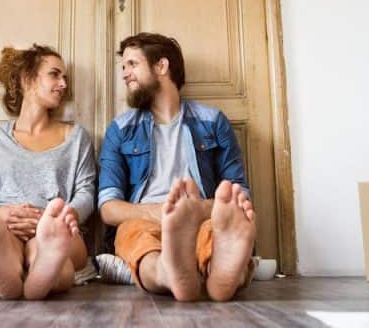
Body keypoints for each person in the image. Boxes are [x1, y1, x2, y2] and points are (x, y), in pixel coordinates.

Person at [98, 33, 256, 301]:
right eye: (123, 67)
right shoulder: (121, 130)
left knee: (213, 233)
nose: (125, 74)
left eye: (132, 64)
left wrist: (195, 212)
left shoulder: (212, 121)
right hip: (142, 221)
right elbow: (108, 209)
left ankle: (222, 275)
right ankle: (171, 273)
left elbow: (240, 196)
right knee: (137, 239)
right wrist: (163, 213)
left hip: (202, 216)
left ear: (161, 66)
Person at [0, 44, 96, 300]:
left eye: (64, 77)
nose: (64, 84)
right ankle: (3, 274)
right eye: (54, 74)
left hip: (57, 226)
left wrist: (57, 218)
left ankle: (44, 269)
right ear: (27, 79)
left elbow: (86, 193)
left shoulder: (76, 137)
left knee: (51, 252)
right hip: (2, 225)